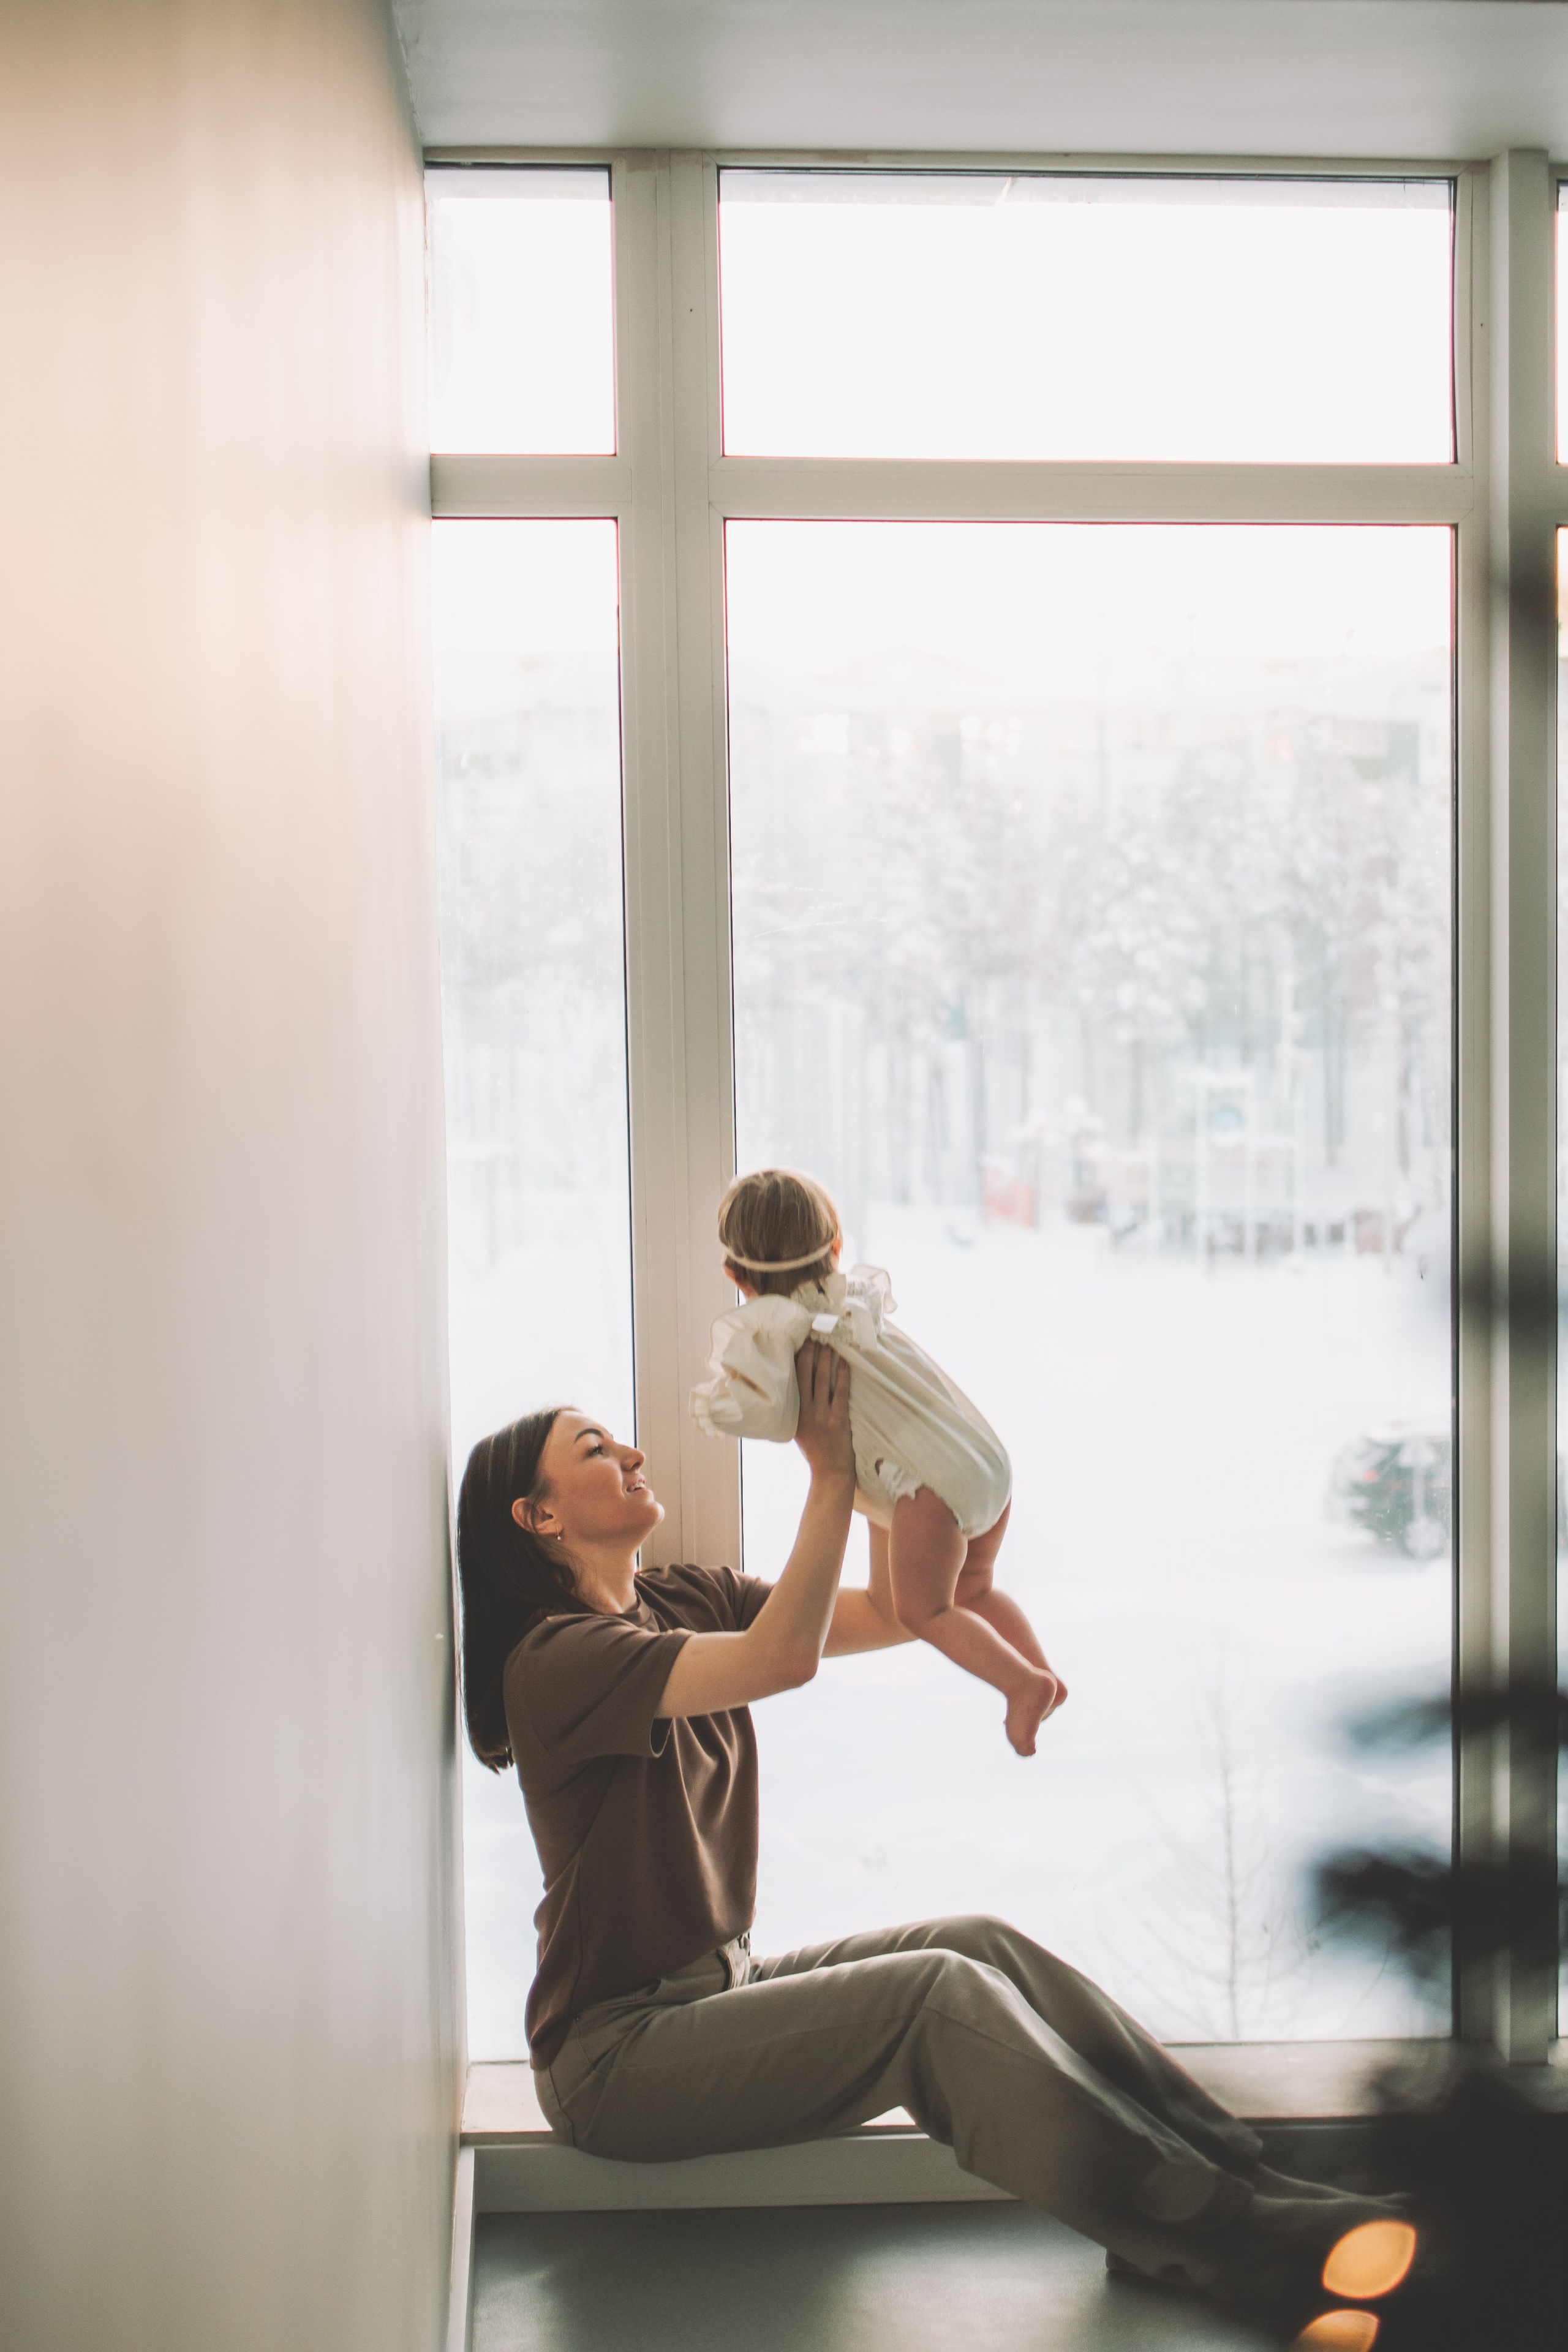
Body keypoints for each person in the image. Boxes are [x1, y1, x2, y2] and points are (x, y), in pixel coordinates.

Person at [455, 1349, 1406, 2323]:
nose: (634, 1451)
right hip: (615, 2060)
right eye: (597, 1448)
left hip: (710, 1991)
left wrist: (887, 1466)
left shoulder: (679, 1601)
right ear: (540, 1517)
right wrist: (825, 1474)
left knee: (977, 1942)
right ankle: (1223, 2233)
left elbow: (883, 1616)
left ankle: (1246, 2180)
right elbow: (782, 1661)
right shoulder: (555, 1661)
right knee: (929, 1997)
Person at [692, 1166, 1061, 1755]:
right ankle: (1042, 1675)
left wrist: (722, 1401)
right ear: (836, 1247)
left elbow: (772, 1415)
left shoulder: (786, 1335)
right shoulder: (858, 1304)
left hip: (930, 1491)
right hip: (984, 1461)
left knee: (926, 1609)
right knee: (975, 1590)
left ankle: (1023, 1683)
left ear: (737, 1278)